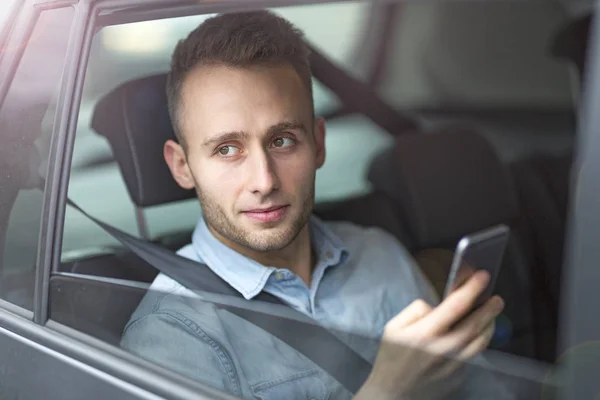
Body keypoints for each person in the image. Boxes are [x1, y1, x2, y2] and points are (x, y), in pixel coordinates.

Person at [121, 10, 512, 400]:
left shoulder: (380, 255)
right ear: (183, 166)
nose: (264, 181)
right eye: (227, 149)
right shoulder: (171, 331)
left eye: (282, 141)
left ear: (318, 143)